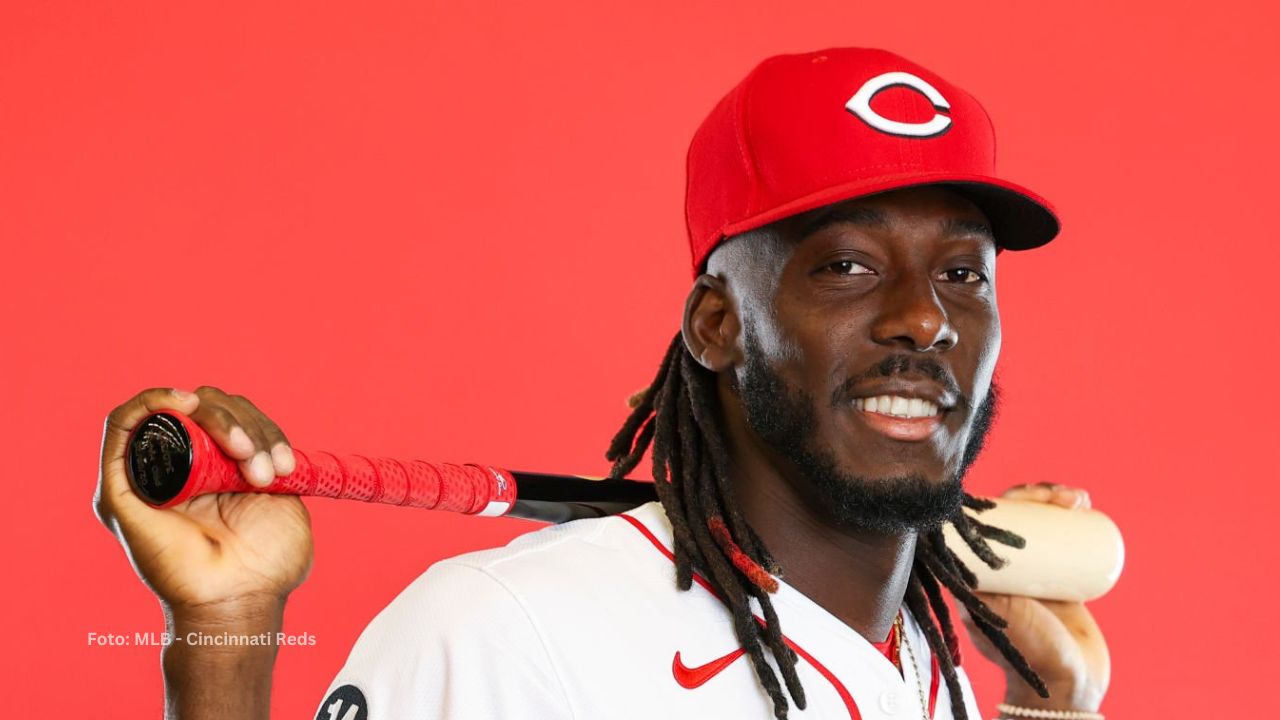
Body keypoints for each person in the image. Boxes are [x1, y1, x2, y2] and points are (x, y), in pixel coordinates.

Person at [94, 47, 1110, 719]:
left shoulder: (927, 667)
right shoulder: (503, 635)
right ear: (717, 325)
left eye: (961, 274)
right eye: (845, 265)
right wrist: (223, 642)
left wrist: (1049, 703)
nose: (922, 317)